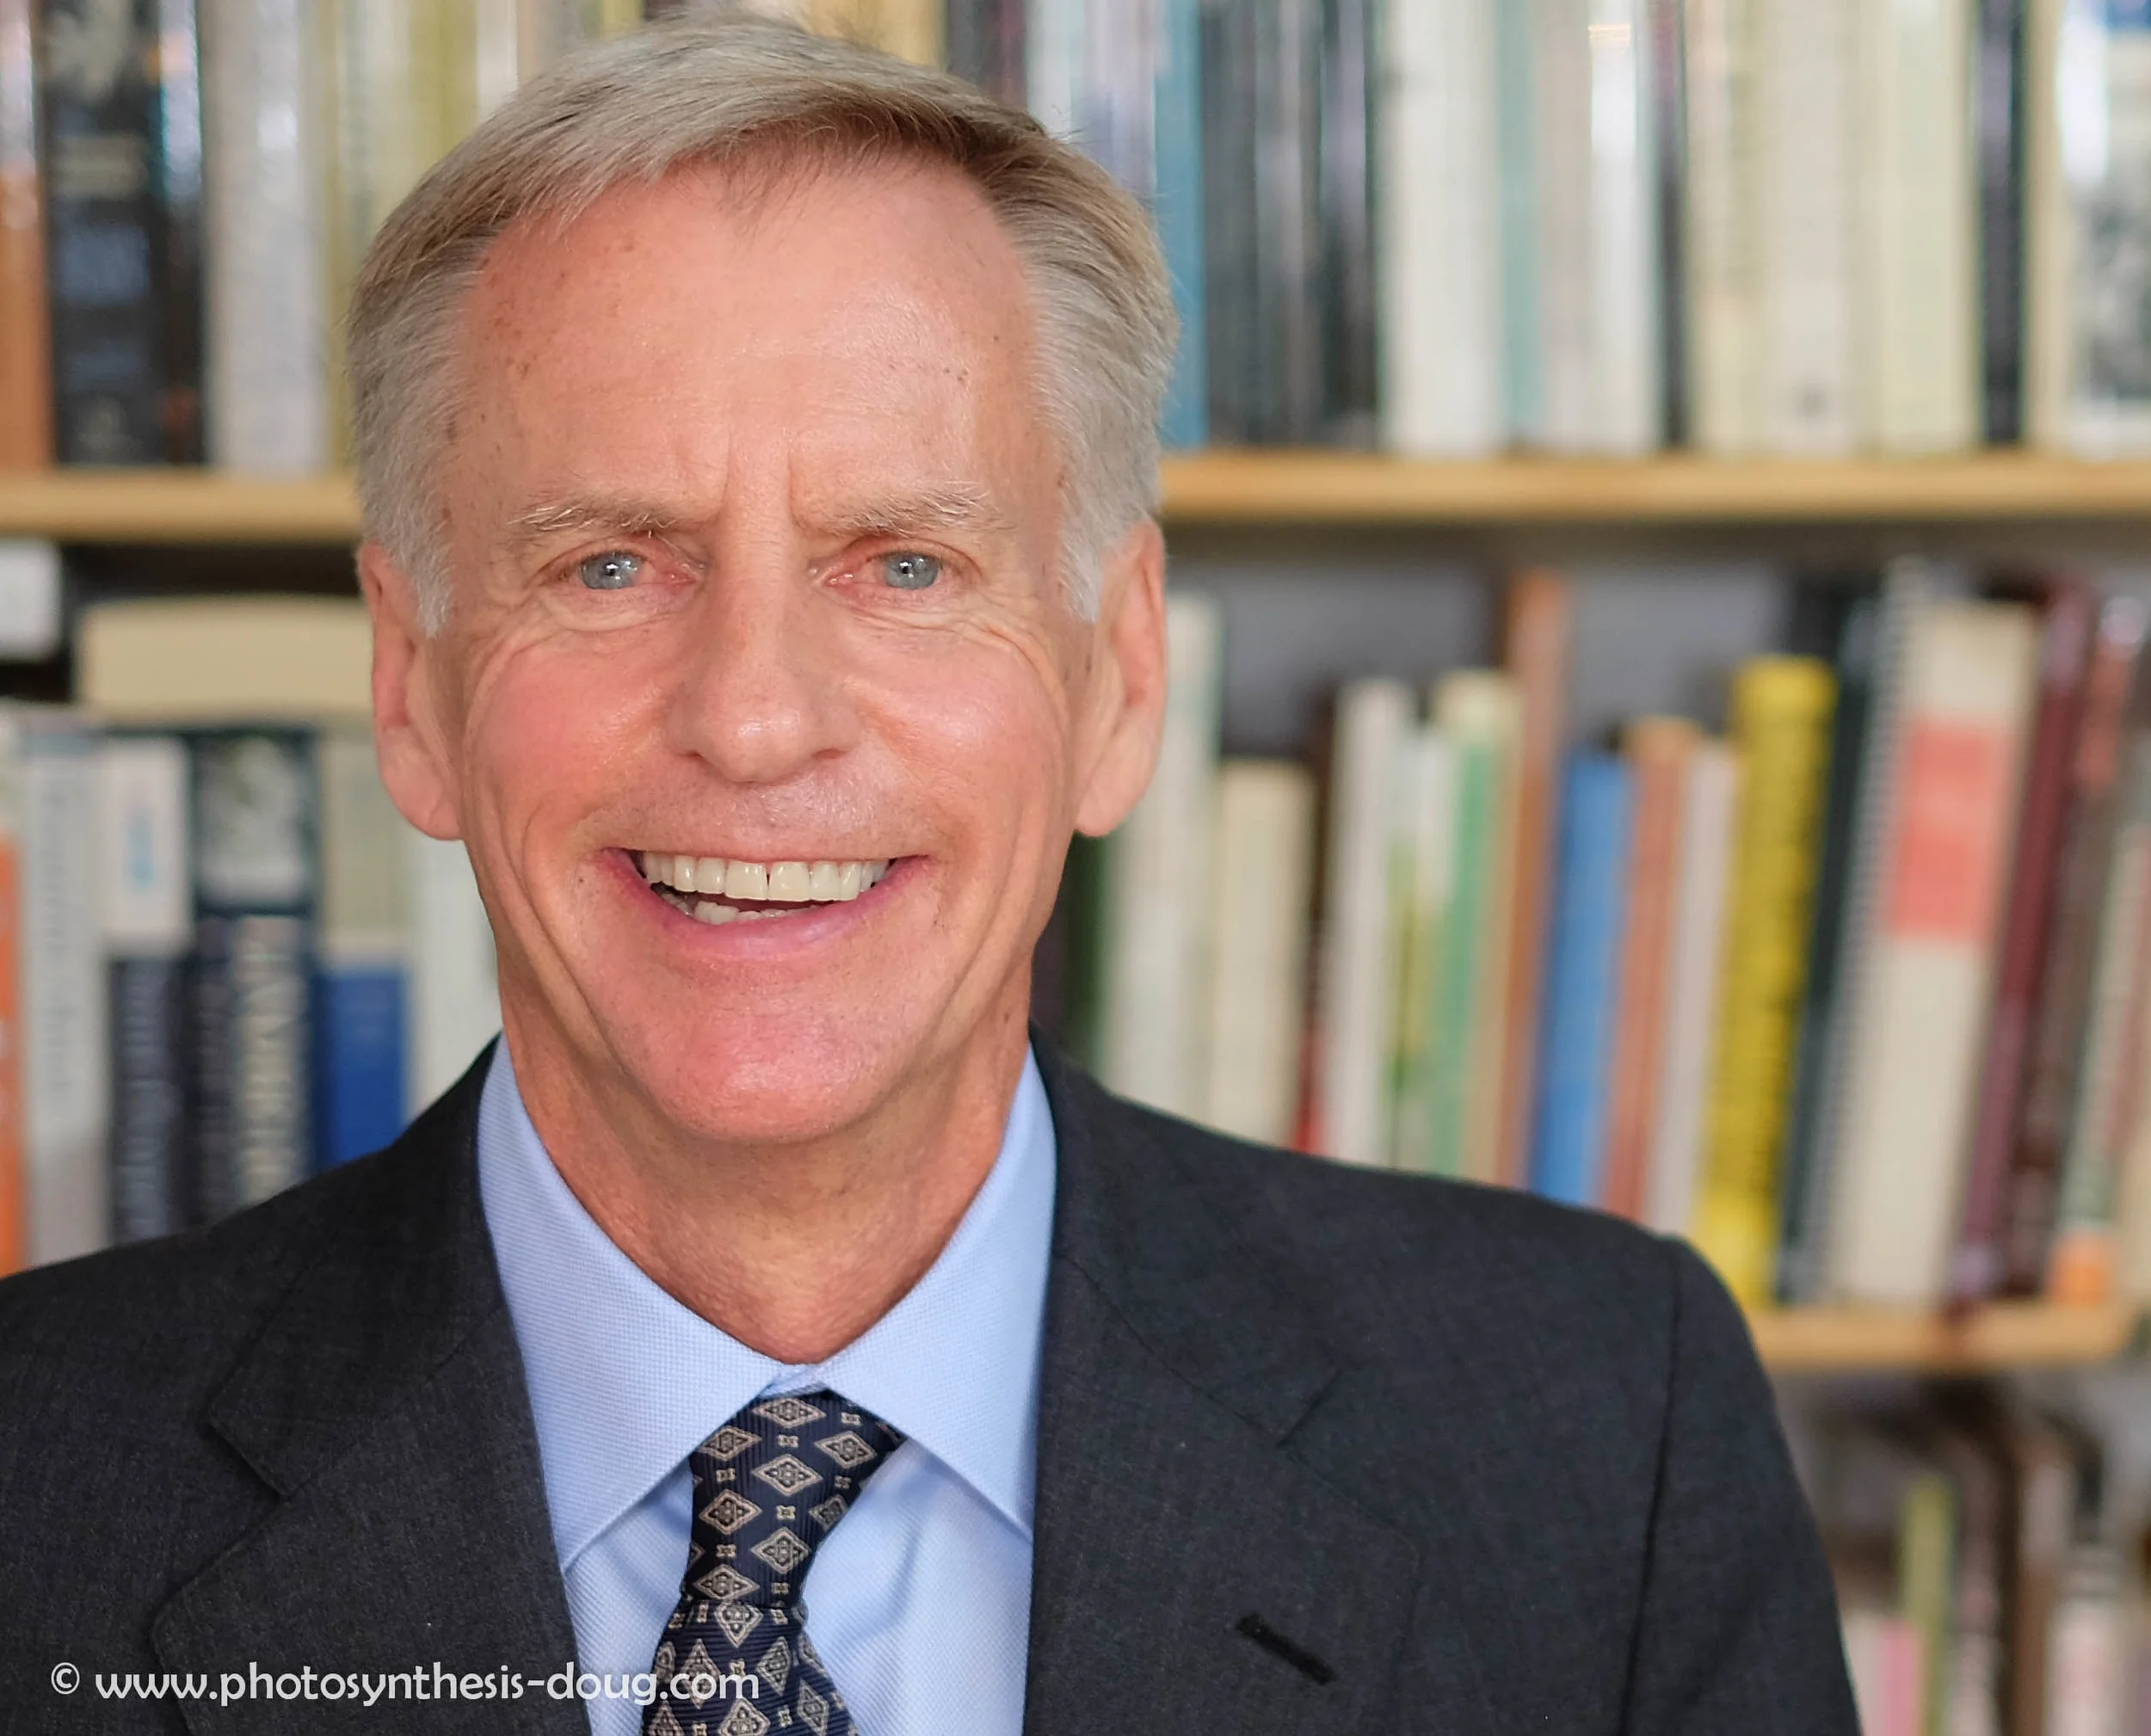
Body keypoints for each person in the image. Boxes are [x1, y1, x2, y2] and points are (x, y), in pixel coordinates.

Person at [0, 15, 1855, 1734]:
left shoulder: (1601, 1431)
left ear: (1118, 680)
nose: (753, 719)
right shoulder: (33, 1479)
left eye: (903, 564)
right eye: (609, 565)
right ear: (411, 686)